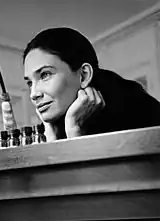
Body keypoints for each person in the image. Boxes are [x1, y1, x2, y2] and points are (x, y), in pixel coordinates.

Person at [23, 27, 160, 141]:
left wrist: (75, 131)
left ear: (84, 75)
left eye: (45, 75)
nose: (33, 94)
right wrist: (51, 139)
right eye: (30, 83)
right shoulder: (50, 128)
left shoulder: (139, 118)